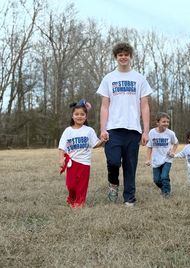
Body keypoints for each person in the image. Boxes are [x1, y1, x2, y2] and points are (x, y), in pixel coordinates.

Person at [97, 42, 152, 207]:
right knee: (113, 162)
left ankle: (129, 198)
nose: (123, 57)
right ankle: (113, 184)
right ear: (116, 57)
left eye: (126, 54)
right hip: (113, 129)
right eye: (120, 54)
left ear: (130, 56)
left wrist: (146, 131)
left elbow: (145, 106)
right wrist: (103, 129)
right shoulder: (109, 78)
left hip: (133, 129)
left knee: (130, 165)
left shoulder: (139, 78)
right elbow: (104, 106)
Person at [58, 99, 104, 208]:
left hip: (85, 163)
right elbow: (61, 147)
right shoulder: (68, 131)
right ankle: (72, 198)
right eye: (76, 114)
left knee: (82, 185)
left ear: (86, 116)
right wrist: (61, 159)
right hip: (72, 162)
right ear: (72, 116)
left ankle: (79, 202)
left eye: (82, 114)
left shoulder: (89, 130)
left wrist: (102, 141)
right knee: (71, 185)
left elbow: (95, 144)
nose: (79, 116)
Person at [145, 112, 178, 197]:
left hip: (167, 159)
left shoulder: (170, 133)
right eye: (163, 121)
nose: (166, 123)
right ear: (157, 122)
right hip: (156, 160)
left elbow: (176, 143)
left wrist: (173, 152)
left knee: (164, 177)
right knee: (157, 180)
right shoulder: (152, 132)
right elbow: (149, 147)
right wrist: (148, 159)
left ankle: (166, 194)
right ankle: (164, 188)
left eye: (167, 122)